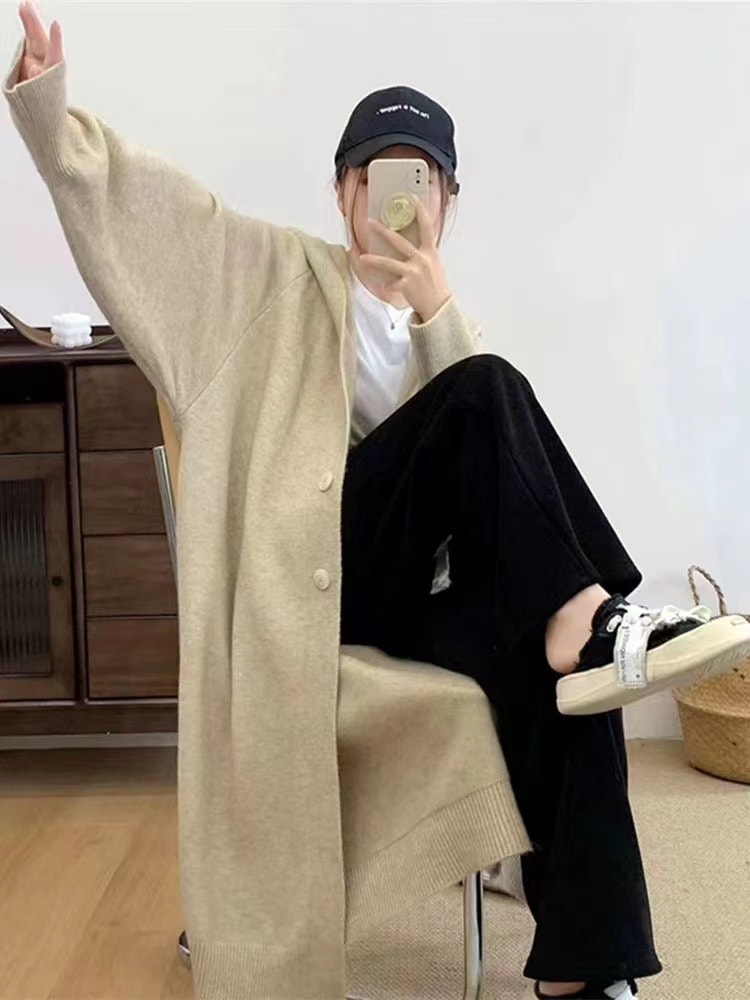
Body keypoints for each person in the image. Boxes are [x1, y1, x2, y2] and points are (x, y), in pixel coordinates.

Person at [6, 5, 750, 999]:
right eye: (375, 175)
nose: (397, 197)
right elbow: (150, 215)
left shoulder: (452, 328)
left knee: (565, 665)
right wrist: (50, 115)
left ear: (448, 202)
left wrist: (437, 312)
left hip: (414, 599)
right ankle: (593, 613)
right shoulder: (265, 277)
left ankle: (583, 966)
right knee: (493, 402)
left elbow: (495, 508)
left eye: (422, 179)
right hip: (308, 589)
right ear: (343, 191)